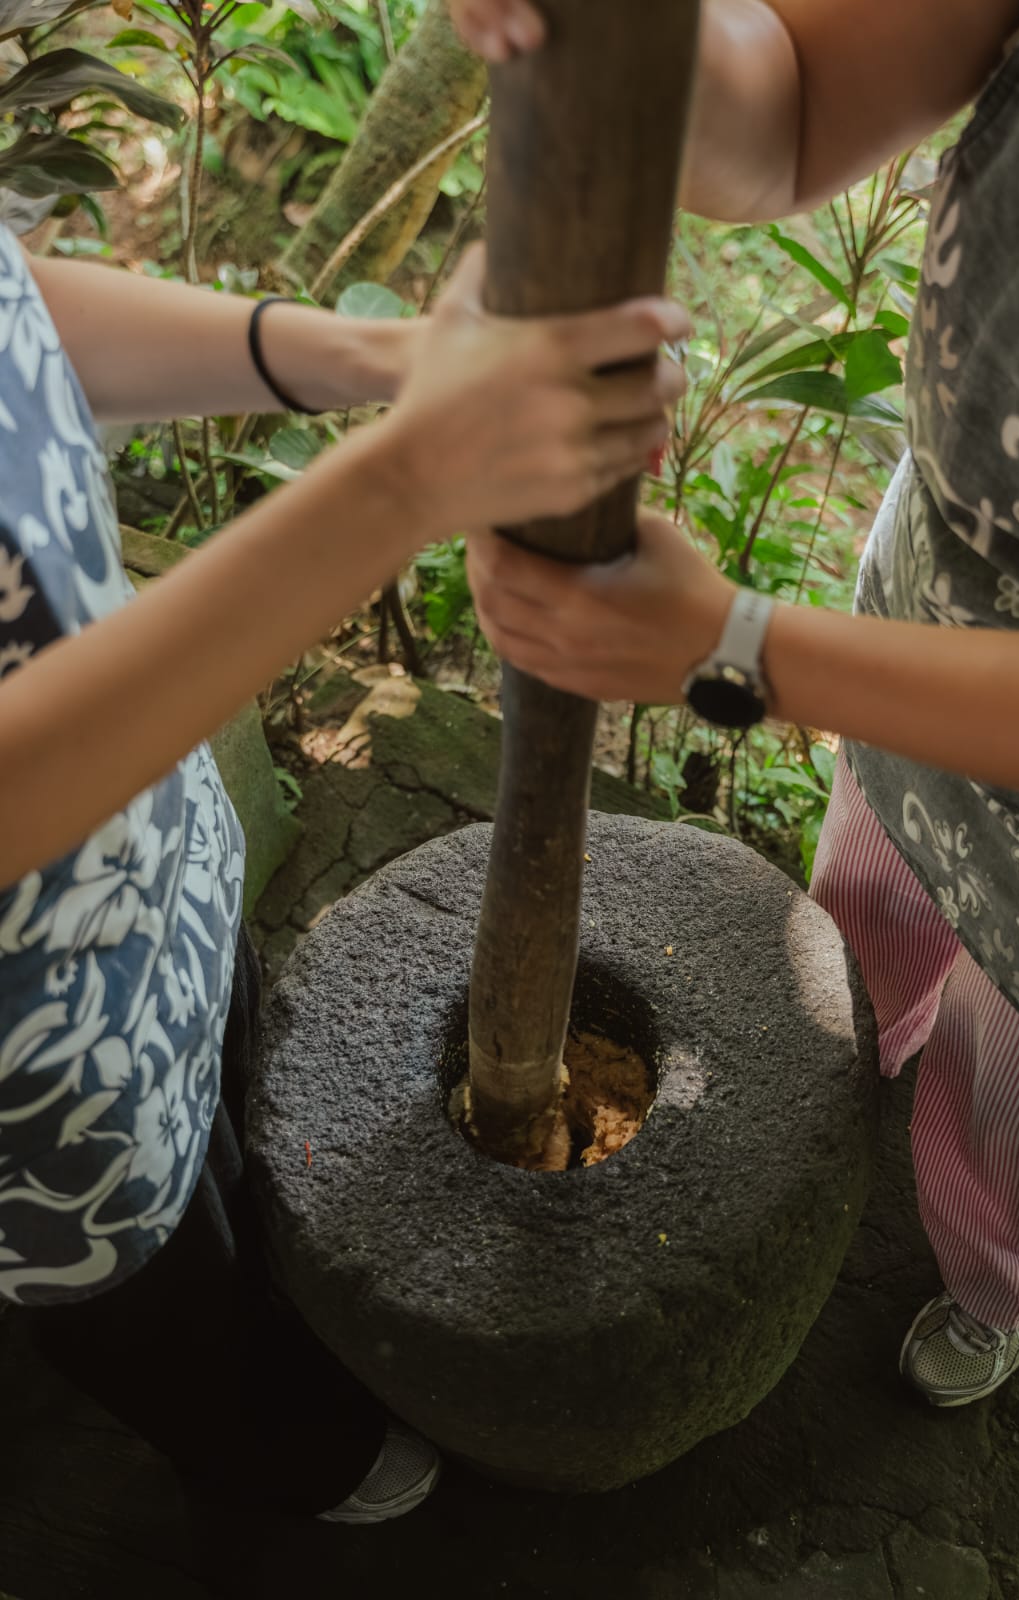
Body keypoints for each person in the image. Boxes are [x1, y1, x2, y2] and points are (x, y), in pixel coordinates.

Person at [0, 227, 688, 1520]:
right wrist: (420, 469)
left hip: (153, 848)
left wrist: (390, 357)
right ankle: (278, 1452)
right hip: (35, 1076)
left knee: (235, 1109)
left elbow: (13, 309)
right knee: (158, 1298)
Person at [452, 0, 1019, 1409]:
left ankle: (995, 1280)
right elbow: (787, 109)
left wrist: (735, 643)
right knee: (868, 915)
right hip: (917, 635)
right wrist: (630, 29)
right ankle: (847, 1078)